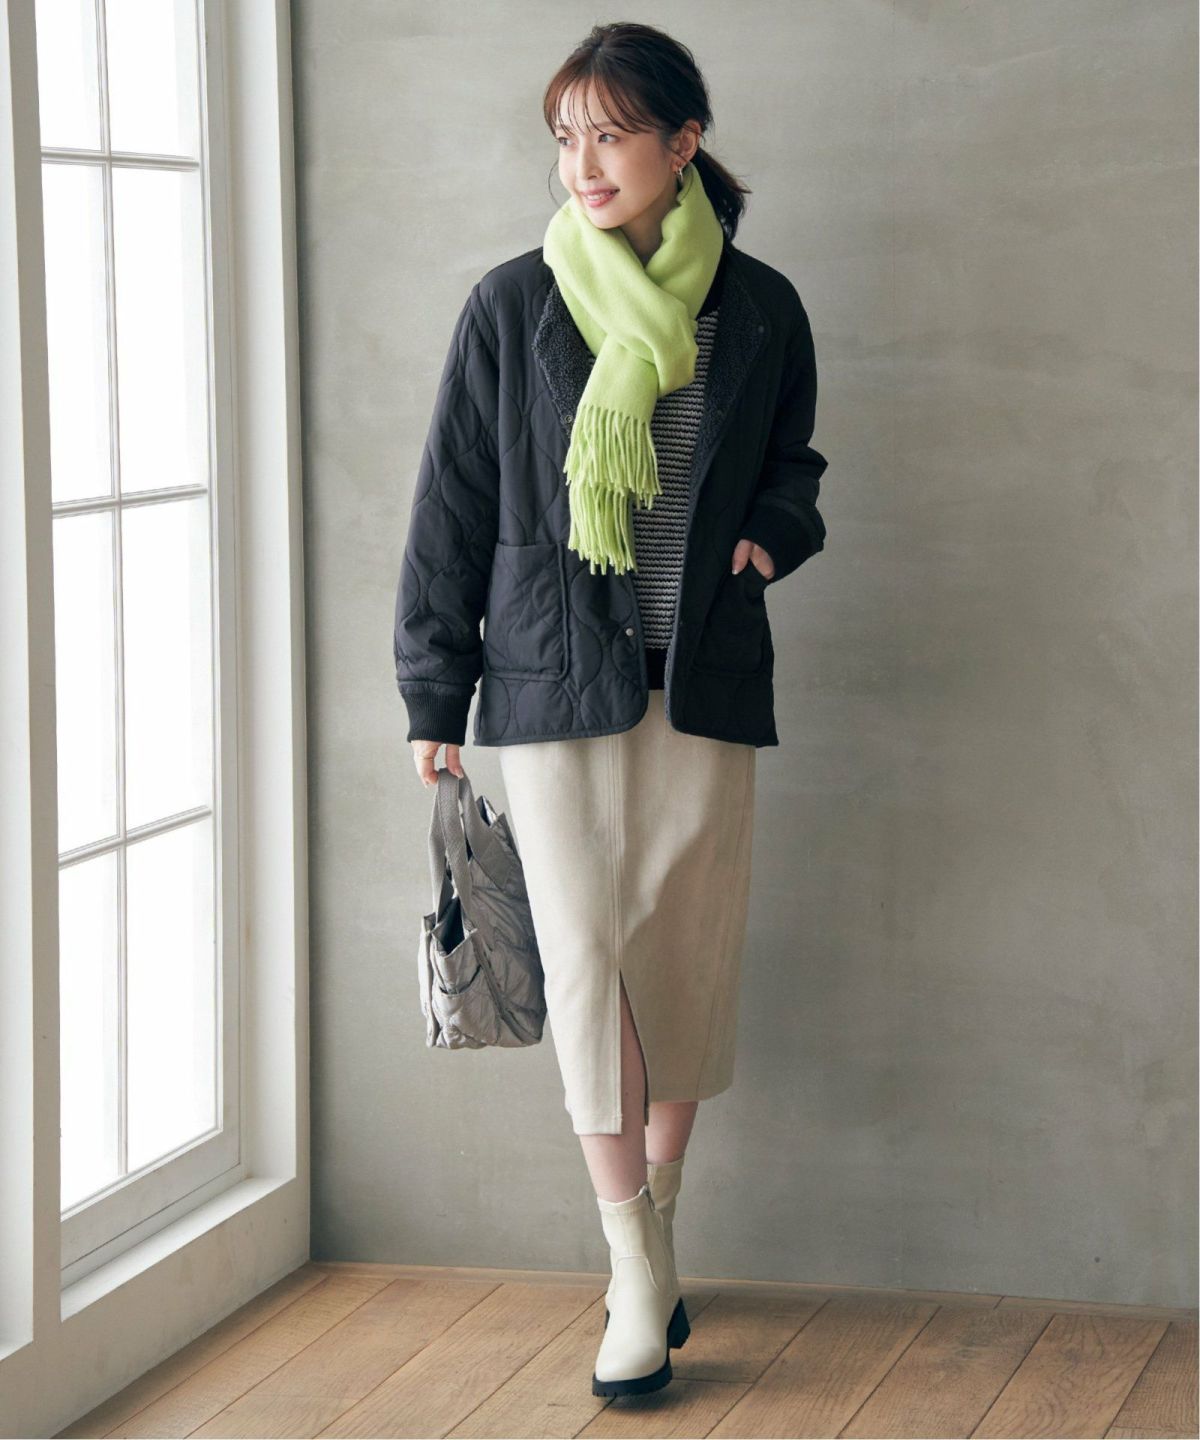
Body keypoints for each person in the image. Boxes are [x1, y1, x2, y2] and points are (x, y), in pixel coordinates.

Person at [392, 21, 829, 1399]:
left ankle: (663, 1221)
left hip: (700, 679)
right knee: (588, 964)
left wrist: (769, 539)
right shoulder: (514, 305)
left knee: (682, 959)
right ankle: (631, 1266)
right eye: (567, 136)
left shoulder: (757, 308)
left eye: (612, 133)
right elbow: (452, 504)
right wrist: (433, 688)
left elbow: (796, 467)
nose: (583, 162)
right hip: (548, 684)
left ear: (682, 142)